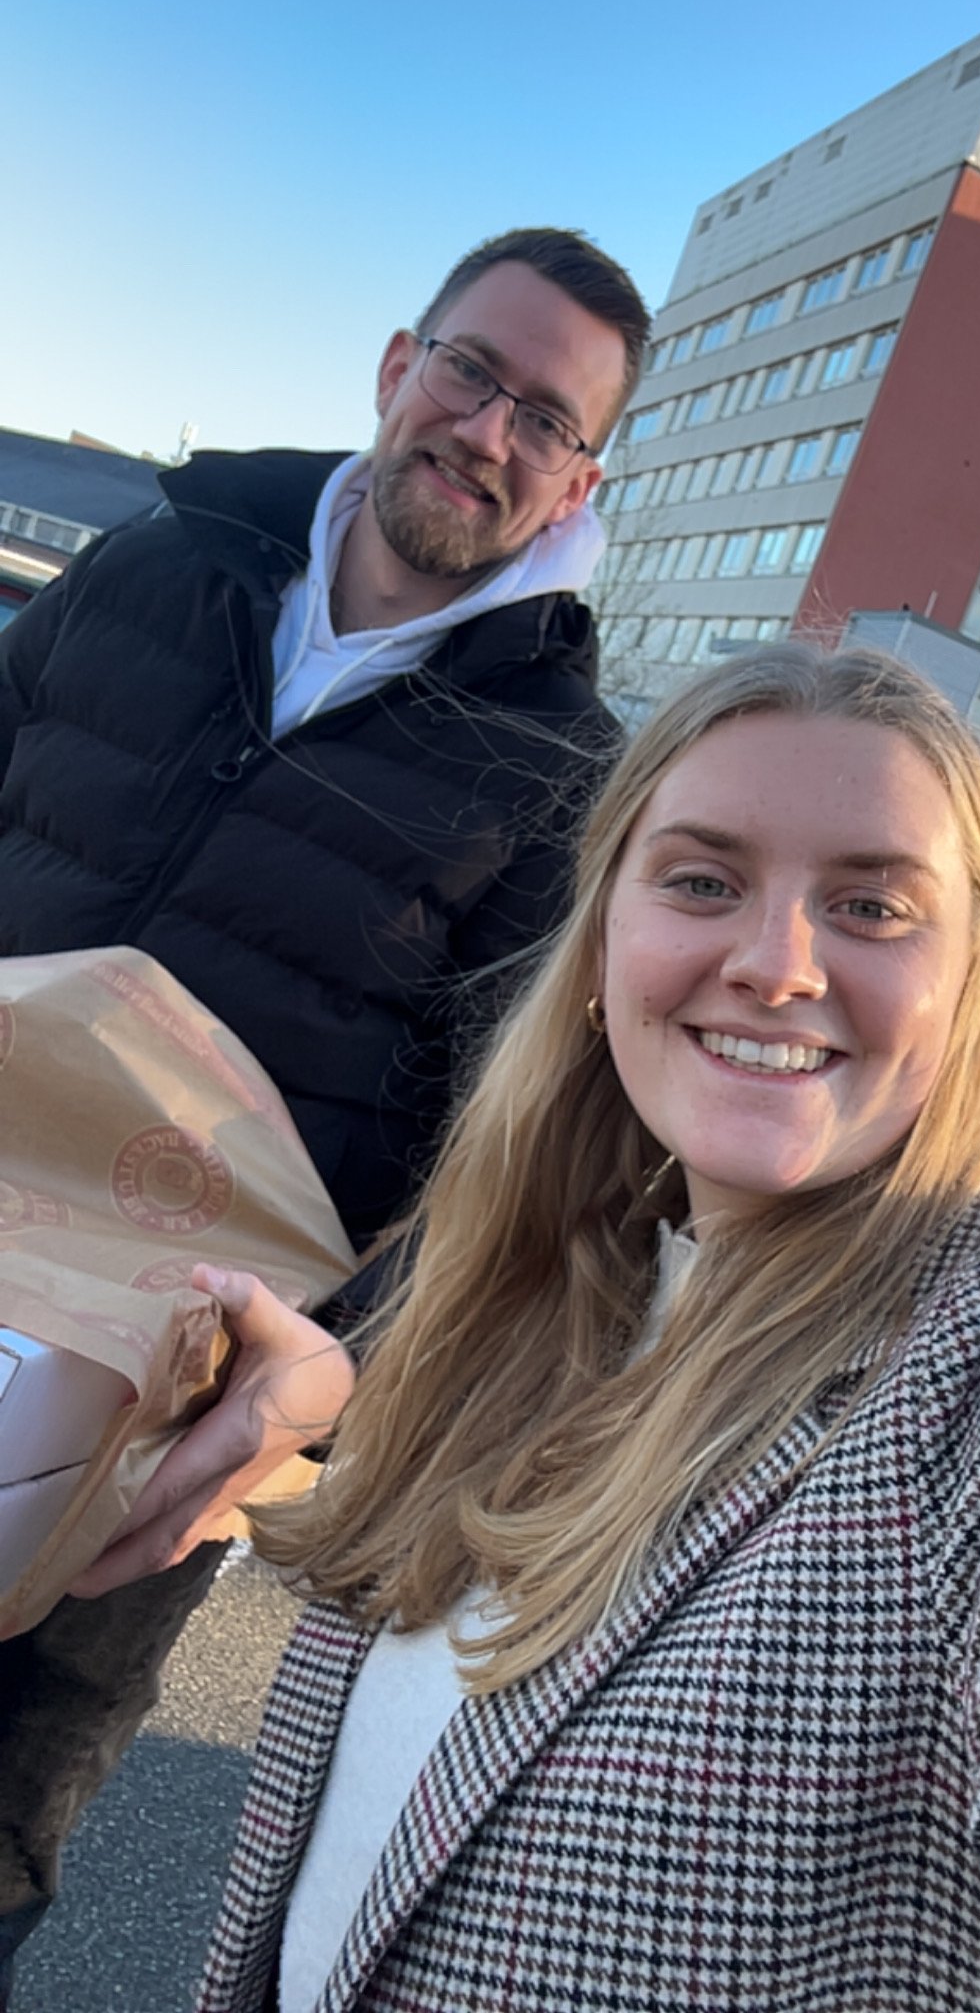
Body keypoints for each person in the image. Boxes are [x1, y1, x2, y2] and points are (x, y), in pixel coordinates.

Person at [196, 643, 980, 2013]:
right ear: (603, 936)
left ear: (970, 982)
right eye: (701, 882)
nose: (776, 965)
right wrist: (326, 1410)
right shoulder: (562, 1283)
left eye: (872, 907)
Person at [0, 228, 650, 1999]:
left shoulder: (559, 774)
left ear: (580, 478)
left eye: (547, 417)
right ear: (395, 366)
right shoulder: (157, 565)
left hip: (164, 1387)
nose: (488, 431)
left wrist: (324, 1373)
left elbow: (492, 1164)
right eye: (471, 371)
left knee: (2, 1801)